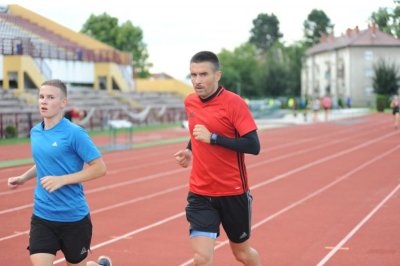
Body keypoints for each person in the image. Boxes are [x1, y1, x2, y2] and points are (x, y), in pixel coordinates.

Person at [7, 79, 112, 266]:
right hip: (42, 216)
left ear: (63, 102)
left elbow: (100, 168)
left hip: (73, 218)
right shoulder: (35, 132)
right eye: (41, 97)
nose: (43, 102)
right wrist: (23, 178)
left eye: (50, 97)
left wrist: (62, 180)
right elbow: (45, 163)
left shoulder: (75, 133)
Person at [174, 51, 261, 266]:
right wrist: (189, 150)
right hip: (200, 193)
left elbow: (253, 145)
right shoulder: (190, 102)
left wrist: (213, 138)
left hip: (232, 192)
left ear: (218, 75)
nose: (197, 81)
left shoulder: (234, 103)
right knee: (201, 259)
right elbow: (196, 133)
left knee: (242, 254)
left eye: (203, 74)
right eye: (193, 75)